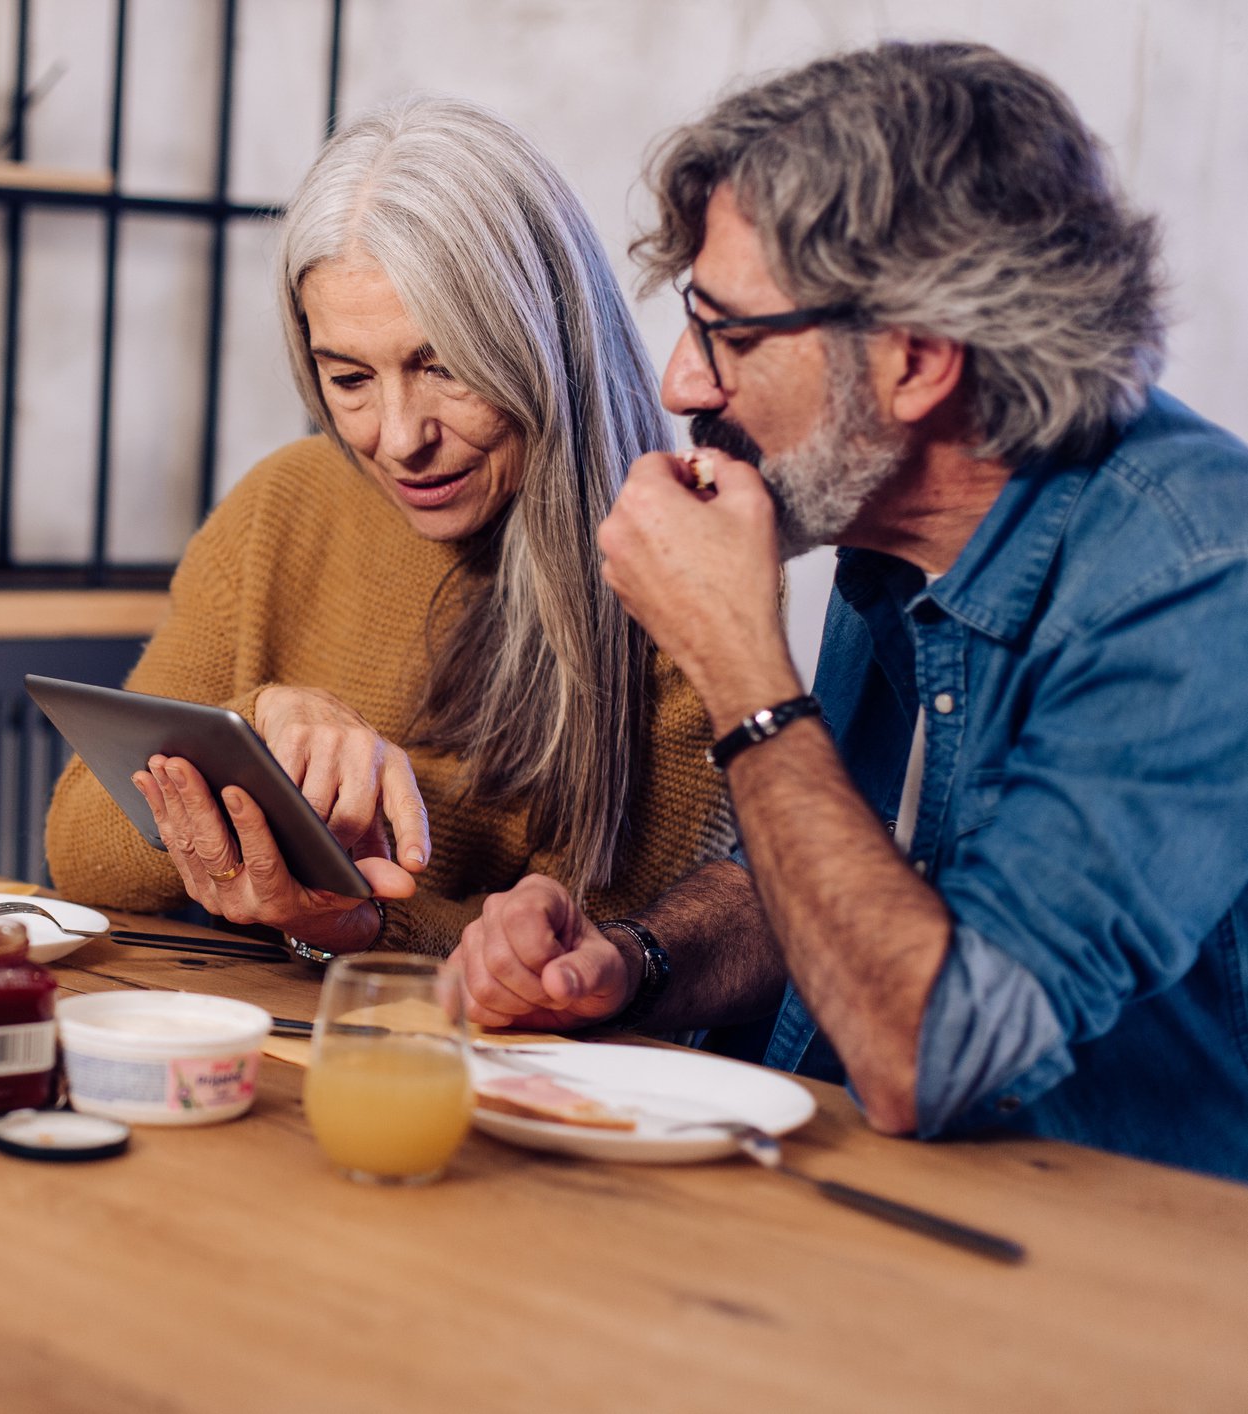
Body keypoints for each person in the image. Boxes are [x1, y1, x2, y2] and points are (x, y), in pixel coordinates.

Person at [453, 41, 1248, 1180]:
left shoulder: (1196, 582)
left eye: (729, 333)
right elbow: (839, 880)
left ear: (916, 364)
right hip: (874, 1207)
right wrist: (633, 961)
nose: (680, 382)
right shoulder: (890, 524)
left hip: (1135, 1276)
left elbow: (928, 1047)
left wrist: (739, 660)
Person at [44, 96, 734, 961]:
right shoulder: (283, 504)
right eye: (348, 377)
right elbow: (77, 855)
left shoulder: (685, 562)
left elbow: (597, 956)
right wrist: (254, 726)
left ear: (543, 340)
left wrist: (363, 922)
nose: (400, 438)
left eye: (442, 365)